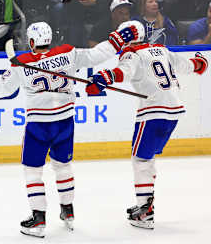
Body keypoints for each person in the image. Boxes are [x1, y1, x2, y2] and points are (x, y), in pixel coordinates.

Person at [0, 21, 139, 238]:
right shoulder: (67, 53)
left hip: (38, 125)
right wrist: (117, 40)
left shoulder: (22, 63)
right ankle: (68, 211)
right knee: (63, 166)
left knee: (33, 170)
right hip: (65, 121)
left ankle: (38, 218)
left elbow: (2, 87)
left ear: (31, 42)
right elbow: (97, 54)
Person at [86, 20, 208, 229]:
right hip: (174, 112)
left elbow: (124, 72)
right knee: (146, 158)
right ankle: (145, 204)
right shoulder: (160, 49)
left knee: (141, 160)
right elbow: (189, 66)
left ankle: (145, 212)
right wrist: (200, 64)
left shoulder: (132, 54)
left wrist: (104, 77)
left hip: (152, 112)